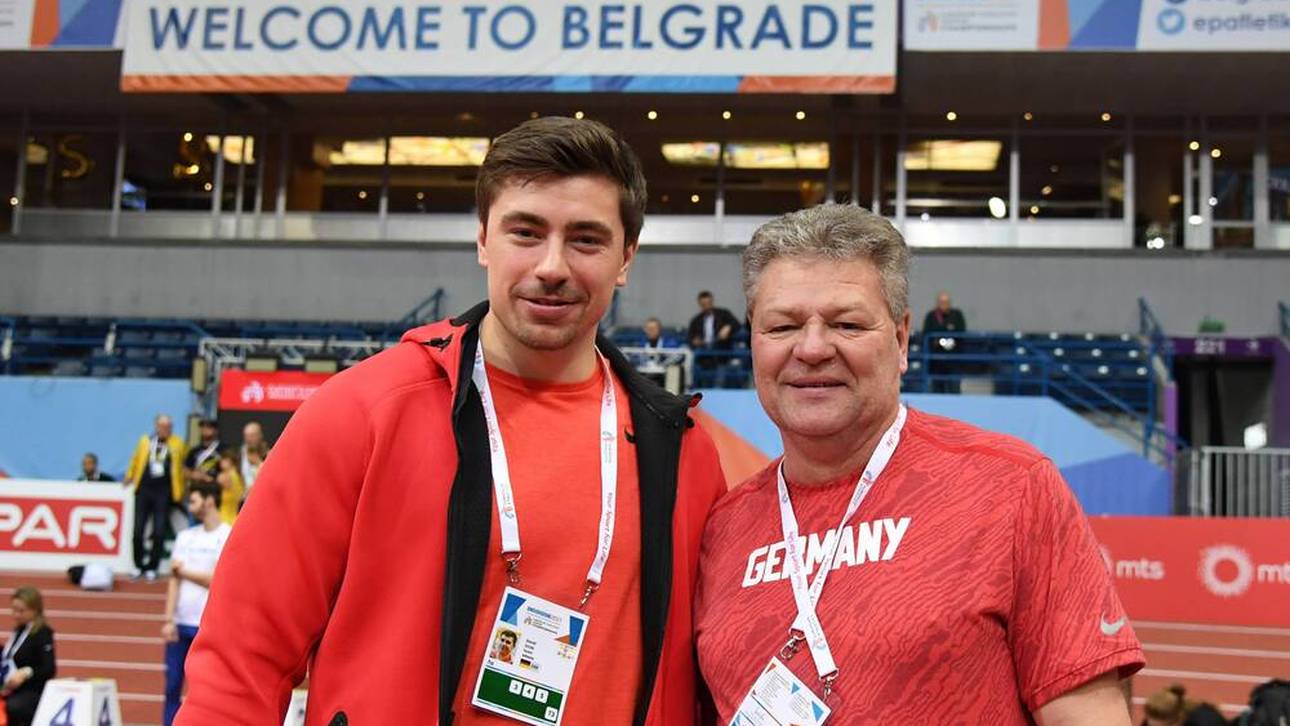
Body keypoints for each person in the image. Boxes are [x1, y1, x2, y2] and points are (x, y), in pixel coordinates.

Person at [176, 117, 727, 725]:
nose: (552, 265)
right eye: (526, 232)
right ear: (483, 241)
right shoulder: (362, 413)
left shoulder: (681, 450)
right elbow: (241, 655)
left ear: (626, 258)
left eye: (586, 240)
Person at [695, 204, 1144, 724]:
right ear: (753, 340)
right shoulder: (722, 529)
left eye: (847, 323)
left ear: (902, 339)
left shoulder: (1010, 487)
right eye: (782, 326)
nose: (813, 348)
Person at [162, 483, 231, 726]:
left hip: (207, 625)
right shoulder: (185, 537)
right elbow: (173, 579)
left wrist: (185, 572)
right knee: (171, 686)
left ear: (209, 501)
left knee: (203, 691)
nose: (190, 507)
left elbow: (217, 580)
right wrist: (168, 619)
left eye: (194, 501)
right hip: (180, 623)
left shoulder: (227, 535)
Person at [124, 414, 187, 581]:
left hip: (164, 492)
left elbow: (181, 467)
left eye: (169, 426)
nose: (165, 429)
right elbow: (136, 460)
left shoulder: (177, 443)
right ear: (156, 426)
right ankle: (138, 565)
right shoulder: (145, 441)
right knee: (138, 530)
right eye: (162, 426)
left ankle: (153, 566)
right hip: (144, 489)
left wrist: (179, 492)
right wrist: (129, 476)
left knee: (159, 531)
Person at [1, 586, 56, 726]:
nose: (16, 615)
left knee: (14, 707)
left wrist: (26, 672)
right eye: (14, 610)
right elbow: (10, 656)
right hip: (11, 688)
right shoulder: (19, 630)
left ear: (35, 610)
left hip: (33, 690)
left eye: (21, 611)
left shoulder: (43, 633)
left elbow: (49, 669)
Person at [922, 290, 967, 393]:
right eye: (941, 302)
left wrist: (949, 340)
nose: (944, 305)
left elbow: (961, 332)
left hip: (954, 360)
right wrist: (940, 340)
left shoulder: (957, 315)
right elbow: (927, 333)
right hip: (936, 361)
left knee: (954, 388)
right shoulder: (931, 316)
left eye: (946, 302)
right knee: (937, 389)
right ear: (937, 303)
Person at [183, 419, 221, 489]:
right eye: (202, 427)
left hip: (217, 489)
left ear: (216, 430)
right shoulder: (193, 451)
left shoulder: (223, 449)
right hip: (197, 488)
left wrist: (215, 478)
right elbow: (185, 471)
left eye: (209, 427)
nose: (205, 429)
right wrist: (192, 474)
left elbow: (231, 470)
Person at [238, 422, 268, 501]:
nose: (249, 439)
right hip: (243, 500)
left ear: (260, 435)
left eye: (252, 436)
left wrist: (259, 463)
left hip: (261, 499)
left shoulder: (269, 455)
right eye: (246, 436)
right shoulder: (239, 454)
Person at [213, 450, 244, 525]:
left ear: (230, 461)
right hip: (234, 518)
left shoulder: (226, 476)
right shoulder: (239, 475)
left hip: (224, 519)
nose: (220, 461)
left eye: (223, 459)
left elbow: (219, 479)